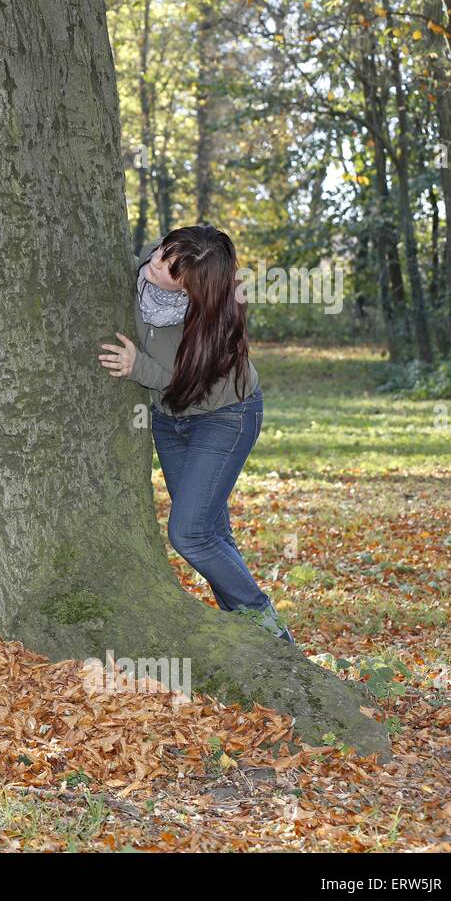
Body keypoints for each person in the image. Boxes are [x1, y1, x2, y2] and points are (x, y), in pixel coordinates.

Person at [98, 224, 291, 643]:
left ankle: (267, 626)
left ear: (193, 288)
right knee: (213, 532)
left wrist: (139, 368)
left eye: (171, 266)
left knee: (190, 533)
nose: (157, 262)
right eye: (165, 250)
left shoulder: (215, 322)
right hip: (170, 421)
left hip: (224, 416)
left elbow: (195, 383)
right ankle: (251, 635)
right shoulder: (140, 270)